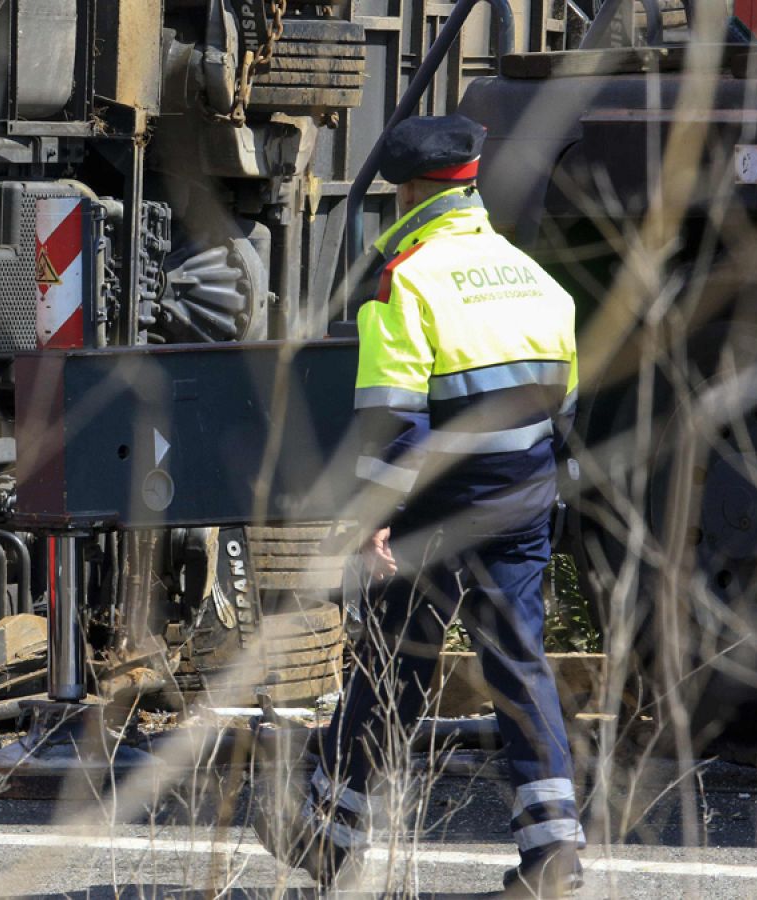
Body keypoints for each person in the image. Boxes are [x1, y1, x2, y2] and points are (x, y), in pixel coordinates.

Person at [254, 113, 584, 897]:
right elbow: (564, 400)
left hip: (439, 501)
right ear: (469, 181)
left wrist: (371, 514)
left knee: (394, 660)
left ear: (406, 192)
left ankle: (329, 835)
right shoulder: (529, 274)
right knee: (517, 662)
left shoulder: (408, 279)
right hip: (526, 489)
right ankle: (555, 852)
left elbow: (394, 424)